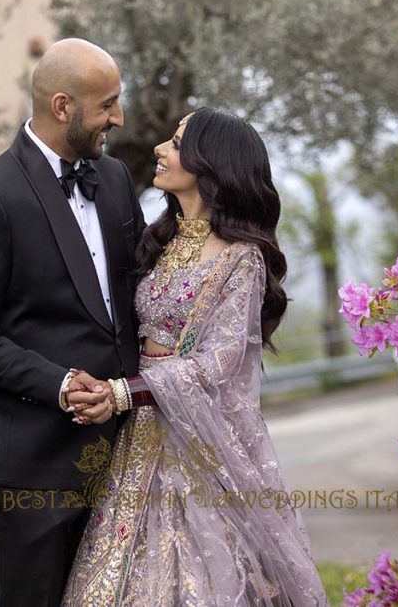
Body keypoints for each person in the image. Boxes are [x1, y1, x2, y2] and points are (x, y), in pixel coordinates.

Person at [61, 108, 328, 606]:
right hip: (139, 436)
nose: (161, 149)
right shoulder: (157, 241)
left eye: (177, 142)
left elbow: (216, 363)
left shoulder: (240, 258)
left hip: (198, 443)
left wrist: (124, 393)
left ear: (211, 163)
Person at [0, 38, 145, 607]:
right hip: (26, 465)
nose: (118, 118)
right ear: (62, 106)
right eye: (107, 105)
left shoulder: (117, 180)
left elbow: (129, 302)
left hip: (119, 456)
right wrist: (59, 385)